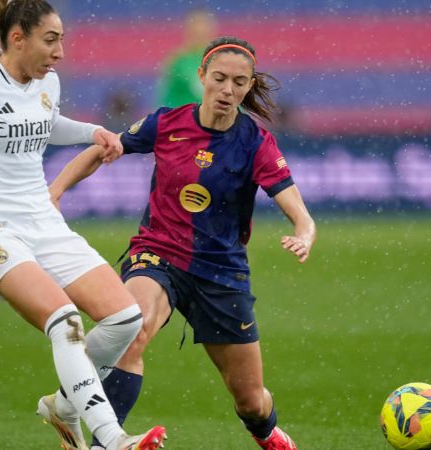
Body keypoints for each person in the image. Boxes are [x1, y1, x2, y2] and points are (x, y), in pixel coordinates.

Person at [0, 1, 168, 449]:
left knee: (125, 318)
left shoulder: (47, 83)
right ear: (18, 38)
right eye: (51, 39)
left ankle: (62, 405)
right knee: (66, 321)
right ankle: (112, 438)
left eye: (62, 40)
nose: (60, 52)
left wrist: (92, 131)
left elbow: (45, 122)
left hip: (42, 221)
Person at [48, 36, 316, 450]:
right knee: (131, 330)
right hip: (158, 254)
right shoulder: (166, 123)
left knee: (251, 401)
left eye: (239, 83)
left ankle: (264, 431)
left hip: (221, 272)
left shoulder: (256, 143)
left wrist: (303, 233)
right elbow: (105, 149)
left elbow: (297, 209)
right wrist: (56, 190)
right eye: (220, 78)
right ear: (202, 77)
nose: (228, 90)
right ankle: (105, 442)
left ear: (249, 86)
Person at [156, 8, 218, 107]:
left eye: (203, 26)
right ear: (188, 29)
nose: (200, 31)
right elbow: (166, 97)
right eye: (196, 27)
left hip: (216, 120)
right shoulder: (178, 61)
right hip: (183, 119)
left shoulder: (221, 60)